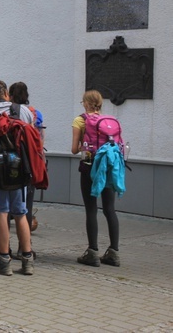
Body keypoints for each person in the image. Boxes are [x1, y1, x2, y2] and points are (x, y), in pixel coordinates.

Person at [0, 79, 35, 277]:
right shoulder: (23, 111)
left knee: (1, 213)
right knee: (20, 213)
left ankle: (4, 260)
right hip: (18, 168)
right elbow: (32, 135)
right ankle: (27, 260)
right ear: (6, 93)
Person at [71, 90, 121, 267]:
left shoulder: (80, 120)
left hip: (89, 167)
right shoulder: (110, 121)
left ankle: (92, 252)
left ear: (86, 103)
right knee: (109, 209)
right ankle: (113, 252)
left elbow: (74, 149)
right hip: (108, 167)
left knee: (91, 209)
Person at [8, 81, 44, 231]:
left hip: (10, 157)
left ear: (10, 95)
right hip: (27, 158)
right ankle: (26, 243)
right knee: (26, 203)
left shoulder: (7, 110)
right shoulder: (31, 112)